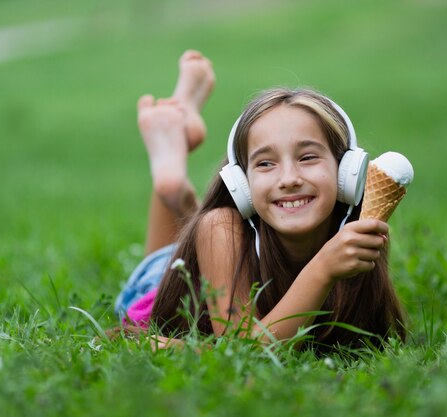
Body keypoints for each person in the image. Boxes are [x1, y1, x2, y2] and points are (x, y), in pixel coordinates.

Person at [114, 50, 406, 351]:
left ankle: (176, 161)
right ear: (241, 184)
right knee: (166, 259)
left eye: (307, 157)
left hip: (217, 264)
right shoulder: (220, 228)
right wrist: (323, 268)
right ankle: (171, 182)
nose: (289, 178)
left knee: (189, 235)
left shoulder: (355, 230)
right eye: (266, 163)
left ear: (346, 171)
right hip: (170, 281)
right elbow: (242, 351)